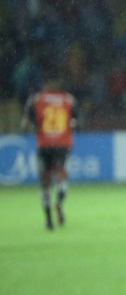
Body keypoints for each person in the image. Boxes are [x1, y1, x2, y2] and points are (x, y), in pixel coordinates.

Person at [21, 76, 79, 230]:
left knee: (45, 183)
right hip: (62, 145)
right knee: (61, 178)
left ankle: (48, 221)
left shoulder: (36, 99)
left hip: (44, 145)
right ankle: (59, 202)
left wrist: (36, 125)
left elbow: (24, 125)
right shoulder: (69, 99)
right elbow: (76, 123)